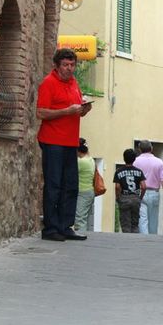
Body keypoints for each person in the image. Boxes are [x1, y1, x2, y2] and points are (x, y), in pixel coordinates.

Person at [37, 48, 92, 241]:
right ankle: (51, 228)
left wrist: (83, 110)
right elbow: (41, 113)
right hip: (52, 141)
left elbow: (74, 111)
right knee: (53, 185)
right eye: (65, 65)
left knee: (71, 185)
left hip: (70, 141)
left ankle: (66, 226)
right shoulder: (48, 83)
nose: (69, 69)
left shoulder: (74, 83)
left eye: (72, 65)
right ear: (57, 66)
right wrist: (67, 111)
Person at [133, 140, 163, 234]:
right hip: (154, 193)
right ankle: (152, 240)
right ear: (151, 148)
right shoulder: (159, 162)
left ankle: (144, 241)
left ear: (140, 149)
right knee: (153, 220)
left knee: (142, 220)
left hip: (140, 192)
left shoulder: (135, 162)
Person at [114, 149, 146, 233]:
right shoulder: (139, 171)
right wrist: (140, 198)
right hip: (135, 197)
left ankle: (127, 240)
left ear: (124, 158)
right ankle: (135, 240)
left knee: (125, 224)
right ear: (134, 159)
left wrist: (118, 197)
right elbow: (143, 186)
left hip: (124, 197)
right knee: (135, 223)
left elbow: (117, 187)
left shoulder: (119, 171)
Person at [74, 137, 95, 232]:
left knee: (79, 217)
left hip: (82, 192)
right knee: (84, 217)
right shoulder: (91, 160)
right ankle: (83, 233)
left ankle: (80, 234)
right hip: (89, 191)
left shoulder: (81, 162)